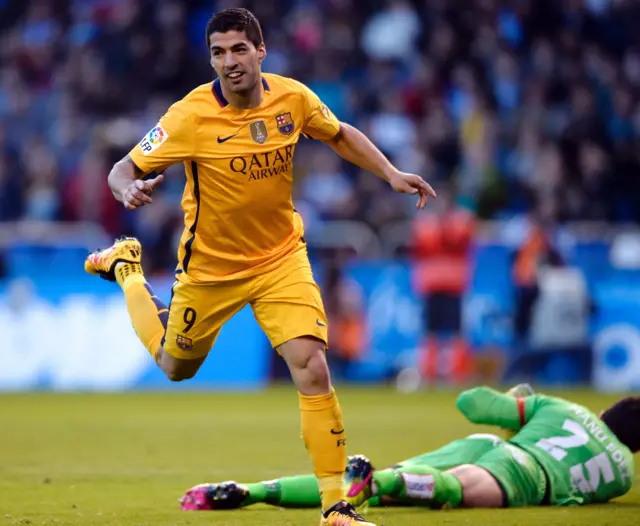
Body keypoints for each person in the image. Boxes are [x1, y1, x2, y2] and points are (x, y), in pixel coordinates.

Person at [83, 8, 435, 526]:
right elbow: (123, 168)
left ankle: (335, 507)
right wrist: (127, 188)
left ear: (261, 51)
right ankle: (127, 268)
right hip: (211, 269)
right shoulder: (188, 116)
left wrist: (389, 172)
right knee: (174, 366)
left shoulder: (292, 98)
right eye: (219, 53)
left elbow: (338, 133)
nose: (229, 62)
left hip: (280, 259)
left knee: (312, 366)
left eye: (239, 50)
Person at [179, 385, 637, 513]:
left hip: (485, 443)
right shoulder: (623, 476)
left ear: (604, 413)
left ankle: (252, 491)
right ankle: (379, 480)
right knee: (453, 490)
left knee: (359, 489)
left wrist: (517, 399)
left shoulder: (563, 408)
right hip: (525, 470)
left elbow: (471, 404)